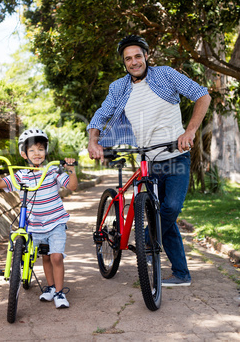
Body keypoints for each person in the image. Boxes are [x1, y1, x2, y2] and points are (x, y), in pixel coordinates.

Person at [87, 35, 211, 286]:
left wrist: (190, 131)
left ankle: (145, 239)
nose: (134, 62)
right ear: (124, 63)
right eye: (128, 58)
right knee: (162, 215)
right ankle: (181, 274)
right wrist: (93, 140)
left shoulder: (165, 74)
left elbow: (202, 95)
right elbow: (102, 113)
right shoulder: (119, 87)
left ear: (146, 55)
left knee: (171, 208)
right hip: (149, 160)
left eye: (137, 56)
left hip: (175, 156)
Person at [0, 128, 78, 307]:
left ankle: (59, 293)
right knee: (44, 257)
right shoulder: (20, 175)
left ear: (46, 152)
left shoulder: (52, 171)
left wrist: (71, 170)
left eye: (41, 149)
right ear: (23, 153)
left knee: (56, 257)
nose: (37, 153)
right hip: (34, 225)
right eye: (32, 150)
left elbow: (72, 186)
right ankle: (50, 288)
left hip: (55, 222)